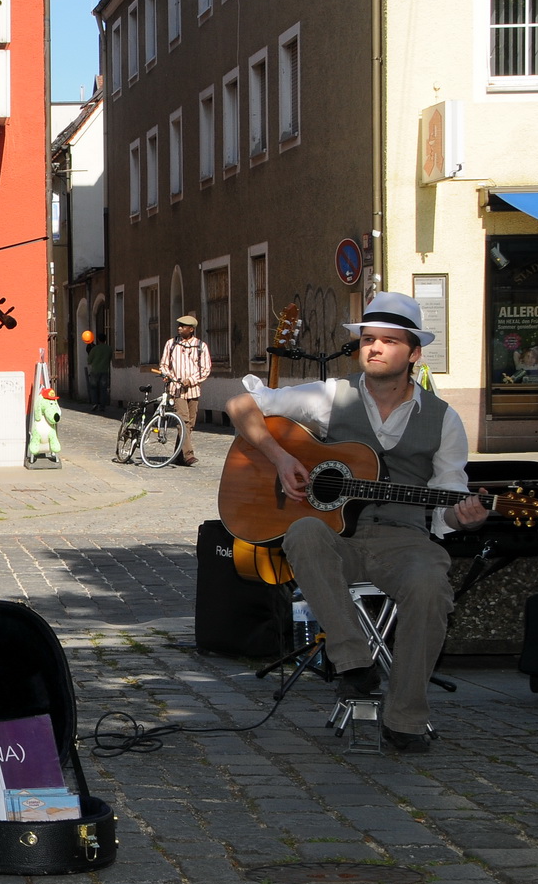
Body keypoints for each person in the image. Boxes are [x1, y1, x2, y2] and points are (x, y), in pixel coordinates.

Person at [223, 291, 487, 754]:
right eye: (368, 339)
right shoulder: (331, 396)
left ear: (414, 353)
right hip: (336, 540)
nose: (375, 348)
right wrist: (282, 458)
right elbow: (241, 405)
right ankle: (352, 660)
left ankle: (405, 717)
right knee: (304, 531)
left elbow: (448, 499)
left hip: (404, 540)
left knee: (430, 583)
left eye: (389, 340)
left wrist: (463, 516)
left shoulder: (444, 419)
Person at [158, 314, 212, 466]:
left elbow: (205, 369)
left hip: (193, 390)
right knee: (183, 420)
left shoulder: (201, 346)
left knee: (190, 424)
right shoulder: (171, 344)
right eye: (179, 325)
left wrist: (192, 380)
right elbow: (163, 365)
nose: (179, 328)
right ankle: (188, 455)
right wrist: (169, 376)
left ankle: (178, 455)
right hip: (176, 389)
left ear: (191, 329)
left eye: (183, 326)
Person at [86, 333, 113, 413]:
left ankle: (95, 403)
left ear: (98, 339)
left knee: (94, 388)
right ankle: (102, 406)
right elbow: (110, 358)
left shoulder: (95, 349)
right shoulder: (109, 349)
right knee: (103, 389)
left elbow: (89, 361)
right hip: (104, 371)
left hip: (95, 370)